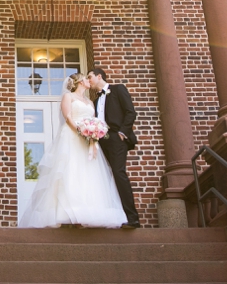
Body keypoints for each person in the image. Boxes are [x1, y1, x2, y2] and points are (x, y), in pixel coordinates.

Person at [18, 72, 127, 228]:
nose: (89, 81)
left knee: (88, 173)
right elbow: (68, 117)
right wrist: (81, 131)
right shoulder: (68, 97)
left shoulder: (90, 102)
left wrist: (93, 134)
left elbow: (94, 120)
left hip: (88, 141)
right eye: (86, 78)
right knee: (70, 171)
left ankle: (86, 212)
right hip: (72, 137)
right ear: (79, 81)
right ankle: (65, 213)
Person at [88, 67, 141, 228]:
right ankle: (114, 216)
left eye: (90, 77)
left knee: (119, 173)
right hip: (102, 141)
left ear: (99, 76)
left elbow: (130, 112)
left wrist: (122, 133)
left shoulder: (118, 90)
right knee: (105, 177)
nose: (89, 81)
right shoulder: (96, 101)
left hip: (117, 139)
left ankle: (133, 219)